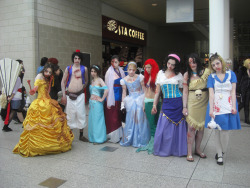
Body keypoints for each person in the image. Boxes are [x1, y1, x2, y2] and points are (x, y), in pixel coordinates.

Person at [13, 63, 74, 157]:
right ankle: (36, 145)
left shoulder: (48, 78)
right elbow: (36, 88)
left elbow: (48, 91)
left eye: (50, 72)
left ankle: (50, 143)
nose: (48, 73)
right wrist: (34, 90)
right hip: (40, 102)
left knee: (53, 118)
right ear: (43, 69)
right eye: (46, 71)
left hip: (47, 100)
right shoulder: (39, 76)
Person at [205, 53, 241, 165]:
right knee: (217, 131)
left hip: (228, 104)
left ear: (222, 62)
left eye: (218, 63)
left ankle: (223, 150)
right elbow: (211, 94)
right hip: (216, 106)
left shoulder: (231, 74)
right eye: (214, 65)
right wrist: (211, 109)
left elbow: (233, 91)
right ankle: (219, 155)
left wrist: (234, 106)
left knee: (225, 132)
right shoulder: (211, 77)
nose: (216, 66)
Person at [152, 54, 187, 157]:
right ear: (166, 62)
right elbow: (157, 91)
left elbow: (182, 91)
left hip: (178, 102)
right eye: (169, 63)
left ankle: (177, 150)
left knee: (177, 126)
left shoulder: (179, 75)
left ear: (176, 65)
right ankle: (164, 149)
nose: (170, 66)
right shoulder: (160, 73)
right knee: (164, 127)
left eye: (173, 64)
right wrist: (154, 104)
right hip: (166, 102)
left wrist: (185, 106)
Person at [182, 54, 211, 162]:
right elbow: (185, 92)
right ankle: (189, 152)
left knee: (201, 127)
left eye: (194, 62)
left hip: (204, 102)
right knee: (191, 127)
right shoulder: (186, 75)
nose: (192, 64)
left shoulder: (206, 72)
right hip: (192, 102)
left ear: (198, 62)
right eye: (190, 62)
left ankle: (197, 149)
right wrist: (184, 107)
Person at [120, 61, 150, 147]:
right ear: (127, 70)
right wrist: (122, 105)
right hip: (130, 100)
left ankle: (141, 139)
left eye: (133, 70)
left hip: (140, 98)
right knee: (130, 119)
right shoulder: (124, 80)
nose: (131, 72)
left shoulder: (140, 77)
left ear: (136, 70)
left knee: (140, 118)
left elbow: (144, 89)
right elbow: (124, 92)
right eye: (129, 70)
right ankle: (131, 138)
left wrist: (145, 100)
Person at [61, 50, 88, 142]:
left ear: (81, 59)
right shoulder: (68, 68)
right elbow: (63, 81)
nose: (77, 60)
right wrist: (64, 94)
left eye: (78, 58)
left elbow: (87, 81)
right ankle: (69, 134)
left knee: (81, 114)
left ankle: (81, 135)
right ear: (73, 59)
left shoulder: (84, 69)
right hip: (69, 95)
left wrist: (81, 88)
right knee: (70, 115)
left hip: (80, 95)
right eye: (75, 58)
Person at [136, 59, 160, 154]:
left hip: (154, 101)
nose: (147, 69)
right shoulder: (147, 77)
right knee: (151, 124)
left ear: (153, 67)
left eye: (149, 67)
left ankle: (154, 144)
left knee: (154, 123)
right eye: (145, 67)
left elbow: (158, 92)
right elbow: (145, 91)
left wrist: (155, 103)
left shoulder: (157, 76)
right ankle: (153, 142)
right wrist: (143, 104)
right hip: (147, 101)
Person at [104, 55, 125, 143]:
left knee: (119, 116)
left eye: (116, 62)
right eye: (112, 62)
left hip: (120, 97)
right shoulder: (109, 72)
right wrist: (108, 100)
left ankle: (120, 135)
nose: (114, 64)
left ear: (119, 62)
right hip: (112, 97)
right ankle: (114, 137)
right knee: (113, 117)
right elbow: (107, 87)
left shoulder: (121, 71)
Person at [88, 65, 108, 144]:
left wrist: (102, 99)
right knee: (92, 121)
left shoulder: (100, 80)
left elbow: (106, 89)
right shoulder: (92, 81)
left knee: (98, 121)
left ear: (98, 72)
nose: (93, 73)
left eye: (95, 71)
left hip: (97, 104)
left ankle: (99, 139)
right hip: (92, 103)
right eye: (92, 71)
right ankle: (93, 138)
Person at [237, 58, 250, 124]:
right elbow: (238, 80)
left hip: (248, 89)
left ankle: (247, 119)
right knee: (242, 103)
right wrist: (238, 90)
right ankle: (234, 114)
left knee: (247, 104)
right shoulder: (242, 70)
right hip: (242, 89)